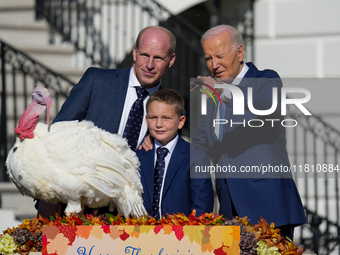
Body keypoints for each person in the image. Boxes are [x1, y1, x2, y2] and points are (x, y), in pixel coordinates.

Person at [36, 26, 176, 218]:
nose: (150, 64)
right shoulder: (97, 81)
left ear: (171, 60)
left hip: (130, 218)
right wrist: (46, 198)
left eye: (158, 58)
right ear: (135, 52)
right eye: (144, 55)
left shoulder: (173, 112)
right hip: (75, 209)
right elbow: (55, 138)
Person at [190, 25, 306, 240]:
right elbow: (198, 148)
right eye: (208, 58)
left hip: (268, 207)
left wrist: (224, 92)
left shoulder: (265, 79)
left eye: (220, 56)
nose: (214, 65)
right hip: (228, 211)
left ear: (240, 53)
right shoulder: (213, 97)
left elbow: (269, 105)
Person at [137, 89, 213, 219]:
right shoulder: (138, 155)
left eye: (166, 118)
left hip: (182, 235)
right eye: (153, 118)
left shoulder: (196, 156)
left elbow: (202, 205)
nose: (159, 124)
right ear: (146, 119)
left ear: (181, 121)